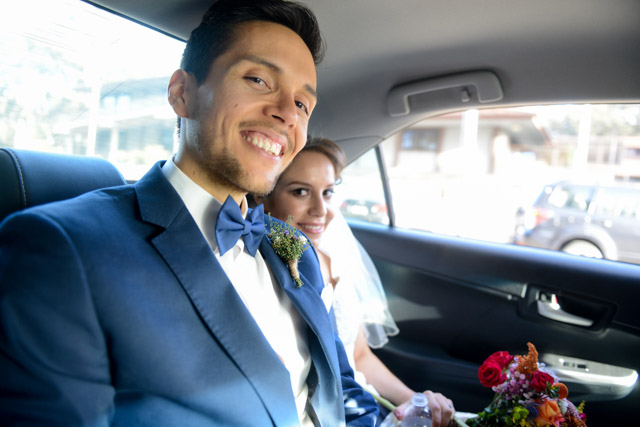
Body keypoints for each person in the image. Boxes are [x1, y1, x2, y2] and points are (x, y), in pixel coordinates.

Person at [0, 1, 378, 425]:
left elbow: (337, 392)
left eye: (303, 105)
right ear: (182, 93)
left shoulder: (296, 250)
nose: (288, 114)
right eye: (257, 79)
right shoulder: (62, 250)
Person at [254, 137, 456, 427]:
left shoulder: (333, 260)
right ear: (264, 195)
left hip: (366, 405)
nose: (321, 210)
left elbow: (359, 355)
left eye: (327, 193)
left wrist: (413, 401)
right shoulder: (257, 275)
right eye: (300, 192)